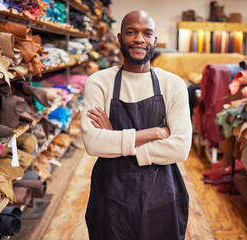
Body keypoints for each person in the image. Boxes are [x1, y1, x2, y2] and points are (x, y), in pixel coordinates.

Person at [81, 10, 192, 240]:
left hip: (161, 193)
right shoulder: (99, 82)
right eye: (131, 32)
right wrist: (154, 132)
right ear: (120, 38)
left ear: (154, 41)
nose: (139, 39)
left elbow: (180, 148)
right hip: (111, 194)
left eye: (147, 33)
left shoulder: (173, 85)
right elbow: (93, 143)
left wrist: (115, 138)